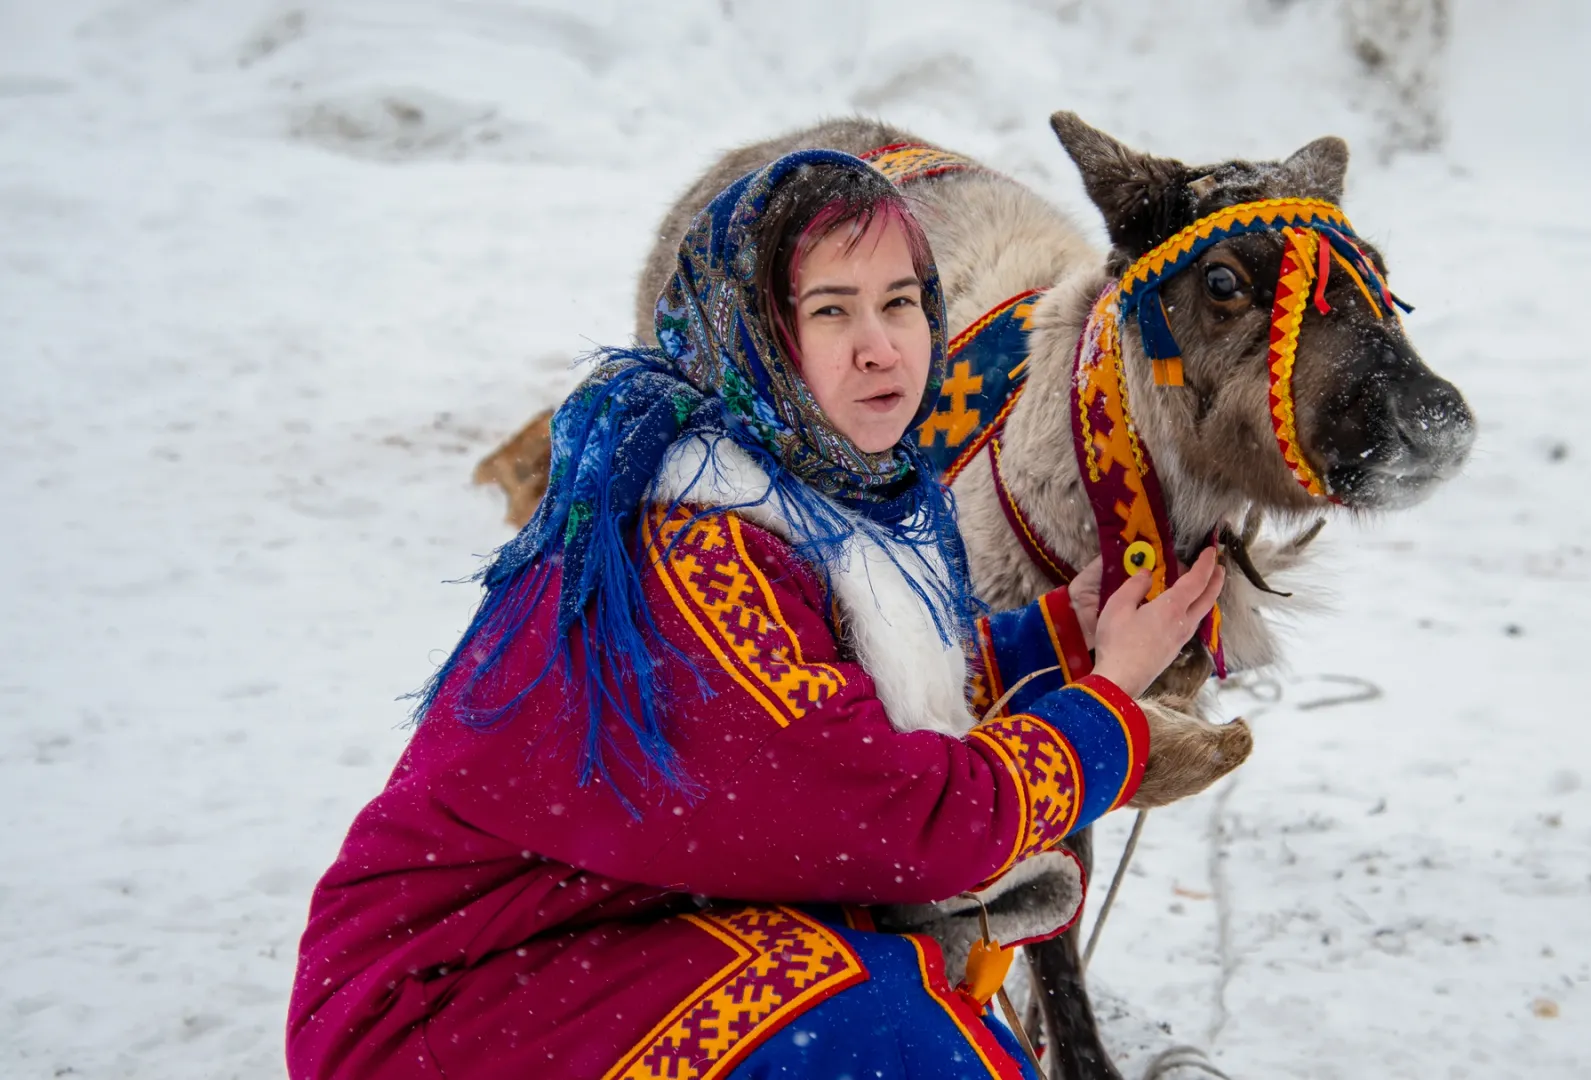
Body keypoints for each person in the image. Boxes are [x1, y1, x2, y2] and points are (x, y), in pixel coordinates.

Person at [287, 150, 1225, 1080]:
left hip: (586, 936)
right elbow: (909, 826)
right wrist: (1105, 704)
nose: (881, 347)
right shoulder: (698, 556)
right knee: (875, 1031)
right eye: (831, 312)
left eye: (901, 302)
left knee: (874, 989)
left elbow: (839, 707)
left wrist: (1062, 634)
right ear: (755, 332)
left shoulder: (787, 489)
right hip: (436, 1008)